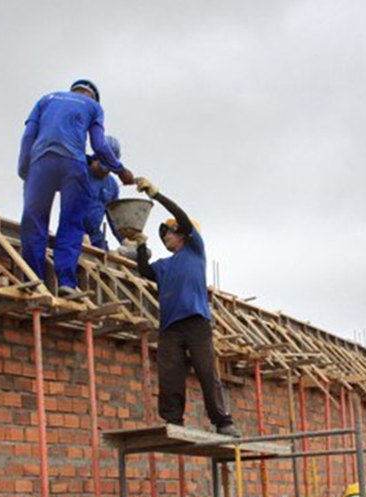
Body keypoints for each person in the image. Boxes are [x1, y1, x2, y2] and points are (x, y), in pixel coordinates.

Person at [133, 177, 240, 437]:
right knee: (170, 374)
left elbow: (180, 214)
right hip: (170, 327)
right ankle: (173, 419)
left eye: (169, 232)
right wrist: (140, 244)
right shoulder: (164, 265)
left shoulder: (194, 250)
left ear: (181, 233)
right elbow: (145, 269)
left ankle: (222, 421)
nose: (166, 237)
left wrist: (156, 195)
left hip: (196, 323)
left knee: (206, 371)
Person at [17, 79, 134, 291]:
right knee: (71, 224)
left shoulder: (45, 99)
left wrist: (25, 170)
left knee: (34, 221)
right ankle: (67, 282)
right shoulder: (93, 107)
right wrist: (121, 170)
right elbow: (99, 144)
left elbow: (28, 137)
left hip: (41, 162)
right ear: (93, 97)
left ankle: (33, 280)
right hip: (73, 163)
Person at [84, 135, 123, 250]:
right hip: (73, 229)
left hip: (95, 236)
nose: (104, 171)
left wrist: (125, 241)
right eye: (102, 166)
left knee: (104, 257)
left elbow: (114, 219)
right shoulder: (80, 171)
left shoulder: (112, 186)